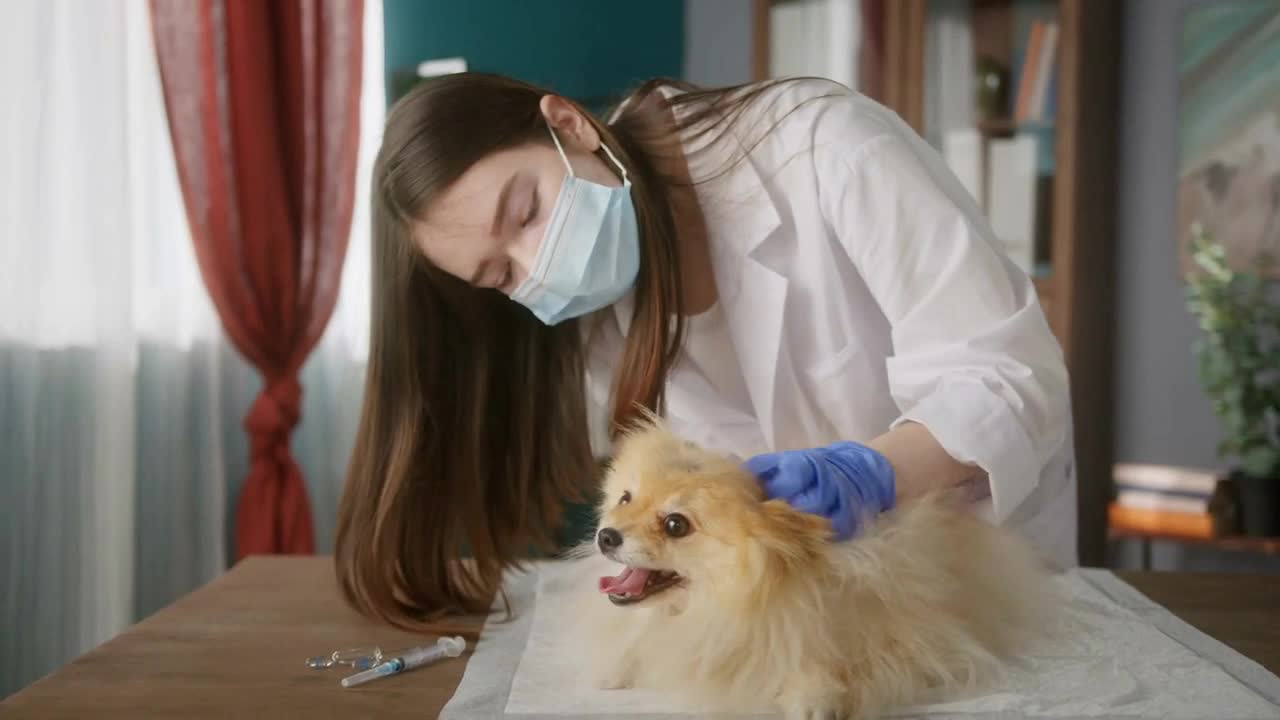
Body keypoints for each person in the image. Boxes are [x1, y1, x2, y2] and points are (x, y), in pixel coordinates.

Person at [335, 73, 1076, 629]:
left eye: (526, 212)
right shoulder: (594, 315)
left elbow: (1008, 377)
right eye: (500, 276)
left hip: (980, 584)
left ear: (569, 125)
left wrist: (871, 473)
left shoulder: (827, 147)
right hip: (809, 619)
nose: (537, 268)